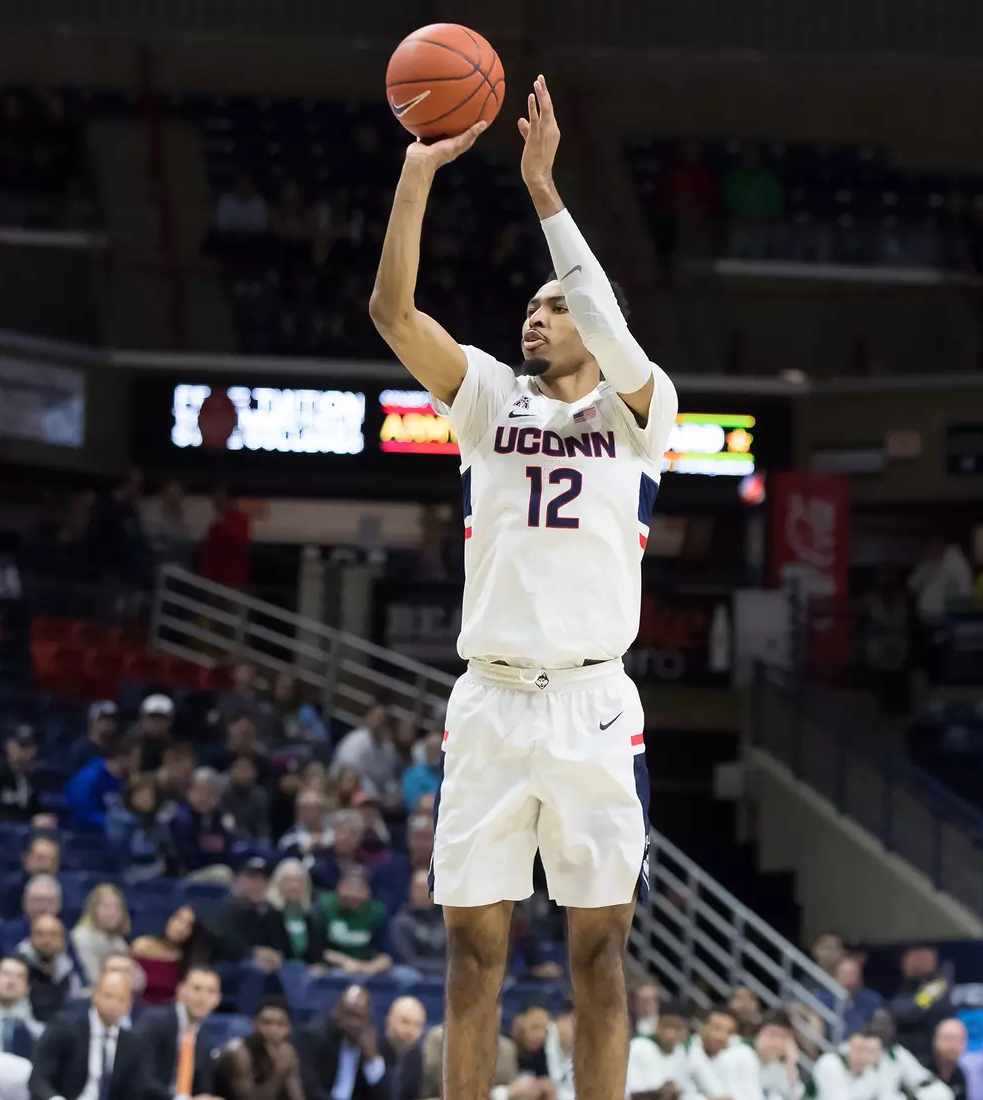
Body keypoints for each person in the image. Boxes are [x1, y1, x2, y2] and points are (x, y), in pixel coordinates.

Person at [368, 76, 678, 1100]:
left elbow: (601, 311)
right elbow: (392, 310)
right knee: (472, 957)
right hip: (490, 701)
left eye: (555, 307)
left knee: (600, 959)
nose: (535, 316)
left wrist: (544, 189)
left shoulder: (645, 409)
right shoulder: (489, 395)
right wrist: (417, 176)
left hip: (592, 699)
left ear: (595, 325)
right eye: (532, 305)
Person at [28, 970, 153, 1100]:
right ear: (95, 995)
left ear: (129, 1005)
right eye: (108, 996)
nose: (113, 1004)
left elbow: (136, 1091)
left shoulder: (133, 1044)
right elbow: (38, 1079)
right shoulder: (65, 1027)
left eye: (120, 999)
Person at [135, 964, 222, 1099]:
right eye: (197, 989)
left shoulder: (203, 1039)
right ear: (181, 990)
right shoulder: (155, 1021)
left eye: (211, 991)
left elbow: (203, 1087)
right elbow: (139, 1076)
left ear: (217, 1000)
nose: (203, 997)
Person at [297, 986, 392, 1100]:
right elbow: (310, 1088)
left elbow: (384, 1096)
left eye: (360, 1017)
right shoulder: (315, 1036)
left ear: (368, 1018)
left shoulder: (376, 1043)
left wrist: (371, 1060)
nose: (354, 1023)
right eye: (349, 1015)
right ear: (337, 1012)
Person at [208, 857, 289, 974]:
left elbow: (281, 943)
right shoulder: (226, 907)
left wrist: (276, 954)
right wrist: (253, 952)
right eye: (253, 878)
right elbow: (223, 940)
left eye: (263, 879)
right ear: (239, 880)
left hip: (268, 963)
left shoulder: (269, 911)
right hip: (231, 964)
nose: (258, 884)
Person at [317, 865, 394, 977]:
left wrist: (369, 968)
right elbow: (319, 951)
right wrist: (347, 962)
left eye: (359, 888)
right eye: (349, 887)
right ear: (339, 887)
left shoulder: (377, 912)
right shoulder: (324, 907)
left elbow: (387, 955)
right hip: (334, 967)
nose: (353, 893)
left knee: (405, 975)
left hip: (368, 967)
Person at [131, 905, 210, 1005]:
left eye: (188, 925)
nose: (181, 928)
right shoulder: (142, 946)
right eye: (179, 919)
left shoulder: (188, 962)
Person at [17, 914, 87, 1025]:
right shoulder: (18, 968)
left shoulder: (69, 973)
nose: (47, 940)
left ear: (63, 941)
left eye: (53, 935)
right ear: (30, 938)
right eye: (40, 934)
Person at [889, 946, 952, 1057]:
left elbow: (913, 1011)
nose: (905, 961)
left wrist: (925, 997)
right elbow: (896, 1010)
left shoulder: (940, 982)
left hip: (929, 1052)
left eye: (909, 956)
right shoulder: (907, 985)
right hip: (905, 1050)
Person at [684, 1006, 757, 1100]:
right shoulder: (687, 1050)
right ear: (702, 1027)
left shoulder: (739, 1055)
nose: (722, 1036)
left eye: (729, 1032)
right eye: (717, 1028)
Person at [624, 1000, 692, 1100]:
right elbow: (629, 1093)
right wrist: (658, 1093)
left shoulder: (680, 1052)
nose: (670, 1033)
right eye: (666, 1026)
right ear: (657, 1024)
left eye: (677, 1028)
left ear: (686, 1032)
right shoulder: (639, 1046)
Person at [389, 870, 447, 978]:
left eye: (428, 888)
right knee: (403, 973)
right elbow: (407, 958)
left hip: (446, 970)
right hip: (416, 971)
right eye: (419, 889)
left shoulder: (447, 918)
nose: (424, 894)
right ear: (411, 891)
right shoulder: (401, 921)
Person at [71, 883, 132, 984]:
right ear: (93, 909)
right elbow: (93, 979)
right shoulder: (82, 936)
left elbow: (137, 982)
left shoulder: (119, 942)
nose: (112, 912)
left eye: (117, 907)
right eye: (106, 907)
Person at [832, 956, 884, 1036]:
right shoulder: (823, 999)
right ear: (835, 978)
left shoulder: (872, 999)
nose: (849, 980)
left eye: (853, 975)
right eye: (845, 975)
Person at [925, 1019, 969, 1100]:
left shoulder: (960, 1075)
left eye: (958, 1040)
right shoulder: (921, 1071)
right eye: (948, 1039)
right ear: (935, 1041)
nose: (952, 1045)